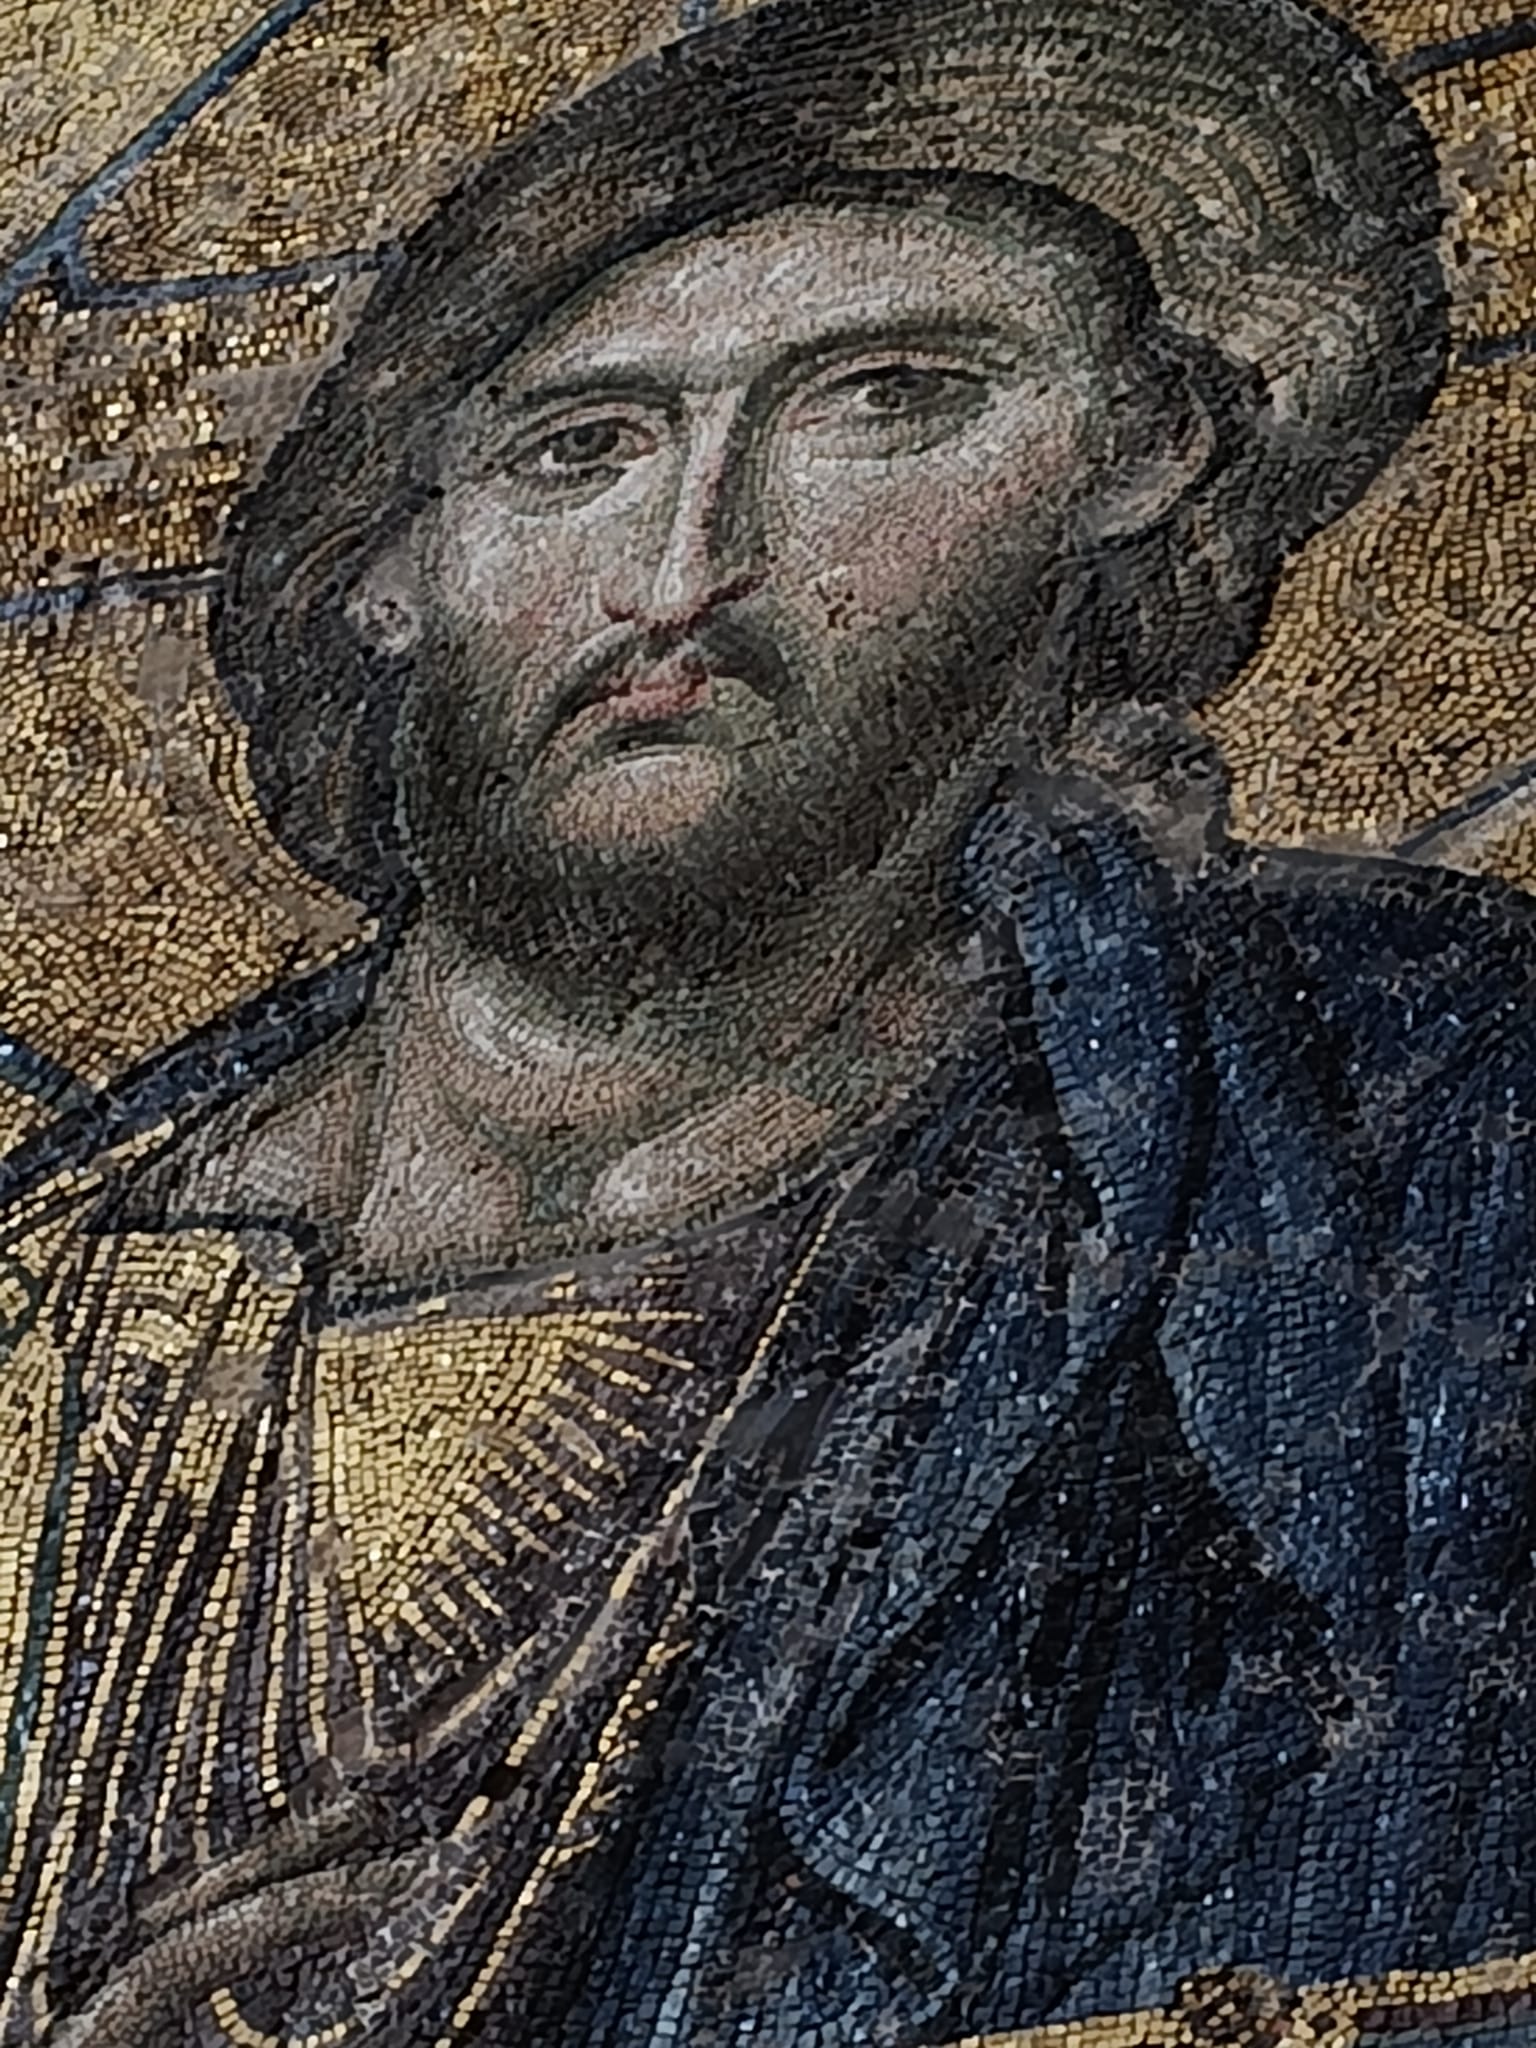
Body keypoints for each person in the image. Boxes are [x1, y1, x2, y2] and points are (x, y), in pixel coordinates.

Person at [5, 0, 1536, 2040]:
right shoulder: (55, 1286)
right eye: (580, 446)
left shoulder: (1400, 1116)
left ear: (1144, 455)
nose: (683, 566)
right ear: (392, 571)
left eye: (887, 400)